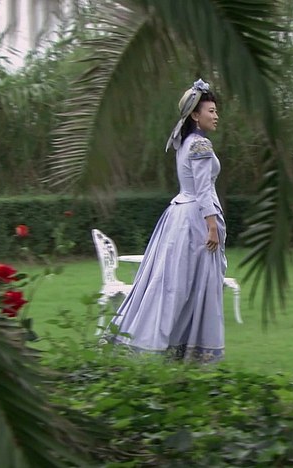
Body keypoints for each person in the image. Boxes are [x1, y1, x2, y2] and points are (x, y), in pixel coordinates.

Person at [107, 79, 226, 363]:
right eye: (211, 111)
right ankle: (181, 347)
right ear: (195, 114)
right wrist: (212, 226)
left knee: (176, 282)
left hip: (179, 216)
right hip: (195, 220)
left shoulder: (184, 143)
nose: (216, 116)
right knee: (190, 285)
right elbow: (203, 189)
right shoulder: (200, 144)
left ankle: (173, 345)